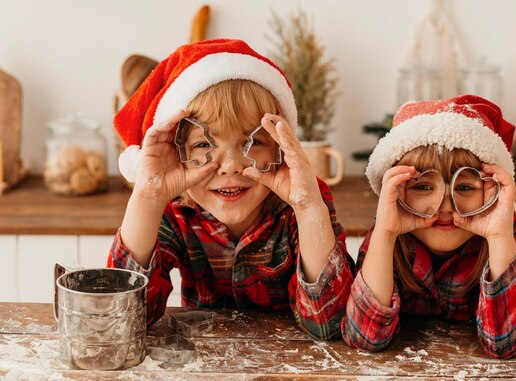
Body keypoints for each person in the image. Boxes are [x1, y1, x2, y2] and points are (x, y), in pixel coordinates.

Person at [108, 39, 354, 339]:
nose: (231, 166)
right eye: (203, 144)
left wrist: (306, 205)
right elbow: (121, 320)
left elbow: (328, 323)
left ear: (280, 148)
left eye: (254, 143)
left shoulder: (305, 201)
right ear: (176, 152)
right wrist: (147, 197)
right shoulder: (174, 211)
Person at [341, 95, 516, 358]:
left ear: (492, 191)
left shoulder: (503, 233)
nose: (444, 206)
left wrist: (499, 237)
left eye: (464, 187)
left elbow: (507, 345)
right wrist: (385, 234)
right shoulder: (388, 231)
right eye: (422, 186)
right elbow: (364, 337)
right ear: (398, 192)